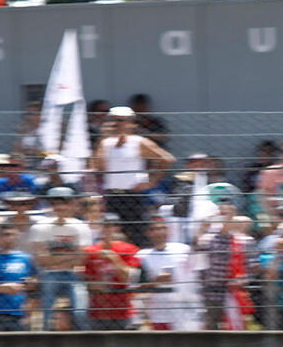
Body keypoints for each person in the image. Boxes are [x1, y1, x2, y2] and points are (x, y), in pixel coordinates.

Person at [94, 105, 176, 248]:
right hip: (113, 195)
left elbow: (166, 159)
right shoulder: (106, 143)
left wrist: (151, 182)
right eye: (114, 120)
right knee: (113, 237)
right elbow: (99, 167)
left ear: (131, 123)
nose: (118, 124)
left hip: (133, 196)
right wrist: (103, 137)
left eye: (122, 120)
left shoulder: (138, 142)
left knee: (137, 234)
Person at [28, 187, 92, 331]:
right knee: (46, 314)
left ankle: (84, 340)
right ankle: (44, 339)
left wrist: (55, 257)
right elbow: (41, 259)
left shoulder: (81, 227)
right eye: (56, 203)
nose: (60, 207)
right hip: (48, 273)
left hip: (73, 274)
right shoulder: (40, 227)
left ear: (72, 204)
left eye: (64, 203)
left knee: (80, 310)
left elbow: (81, 259)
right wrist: (71, 255)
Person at [137, 218, 200, 331]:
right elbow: (138, 287)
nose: (160, 232)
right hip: (159, 313)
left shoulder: (182, 249)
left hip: (184, 310)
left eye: (163, 228)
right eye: (155, 229)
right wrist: (156, 281)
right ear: (148, 233)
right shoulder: (142, 256)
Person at [83, 214, 141, 330]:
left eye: (111, 226)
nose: (107, 230)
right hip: (98, 310)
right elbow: (85, 280)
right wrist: (95, 285)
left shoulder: (129, 249)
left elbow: (129, 278)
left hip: (123, 309)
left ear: (117, 228)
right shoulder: (91, 251)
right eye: (104, 226)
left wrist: (114, 259)